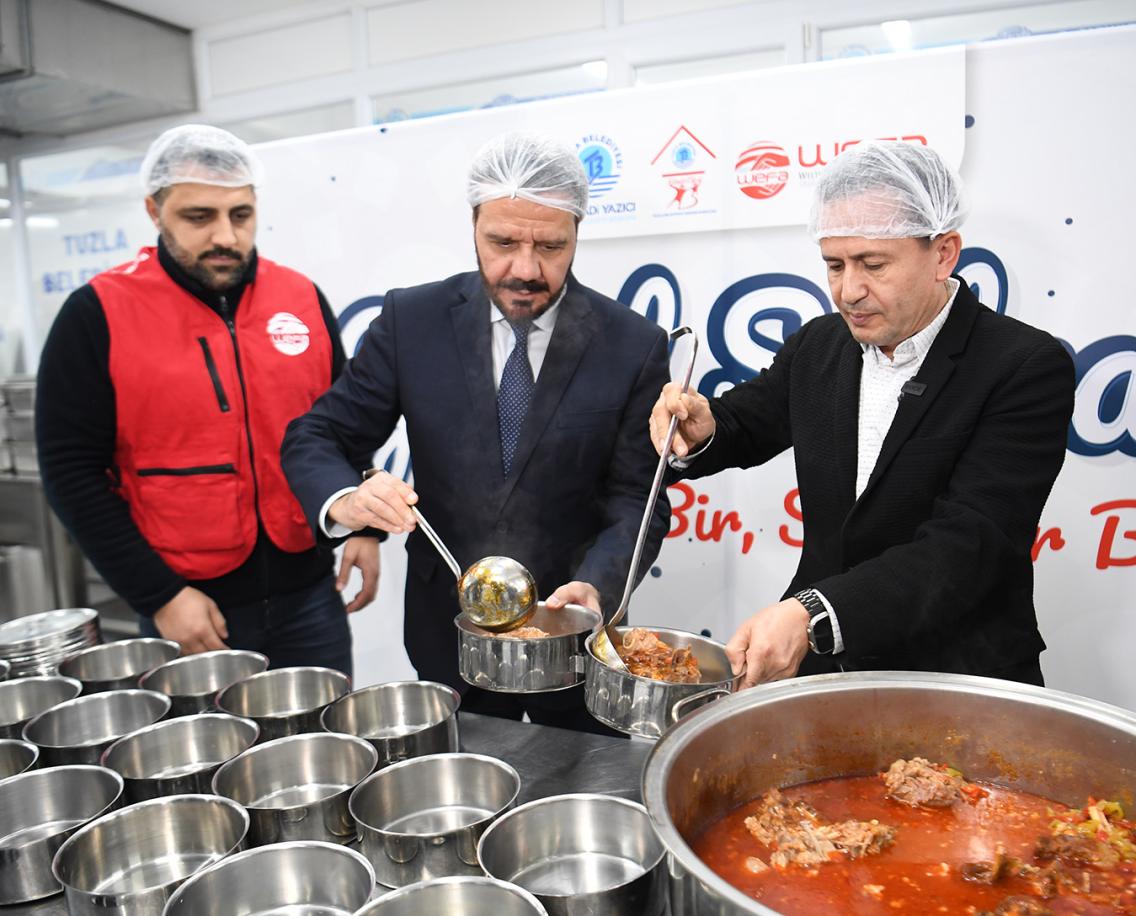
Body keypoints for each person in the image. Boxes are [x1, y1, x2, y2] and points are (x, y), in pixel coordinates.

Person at [282, 132, 670, 733]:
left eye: (550, 245)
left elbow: (637, 500)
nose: (525, 269)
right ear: (473, 226)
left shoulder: (633, 343)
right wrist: (348, 501)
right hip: (447, 636)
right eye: (503, 242)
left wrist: (596, 589)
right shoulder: (412, 321)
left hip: (573, 640)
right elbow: (319, 435)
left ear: (578, 232)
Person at [652, 141, 1075, 690]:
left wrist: (814, 613)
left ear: (944, 253)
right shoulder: (819, 345)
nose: (849, 291)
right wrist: (701, 431)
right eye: (835, 265)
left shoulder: (1022, 365)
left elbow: (969, 543)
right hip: (825, 671)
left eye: (873, 265)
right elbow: (744, 425)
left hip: (957, 675)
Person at [36, 124, 379, 675]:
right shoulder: (97, 314)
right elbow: (69, 472)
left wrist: (362, 523)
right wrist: (160, 596)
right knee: (214, 762)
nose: (225, 235)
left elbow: (343, 428)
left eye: (240, 215)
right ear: (154, 210)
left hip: (310, 599)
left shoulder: (300, 297)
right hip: (191, 608)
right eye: (199, 217)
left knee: (328, 749)